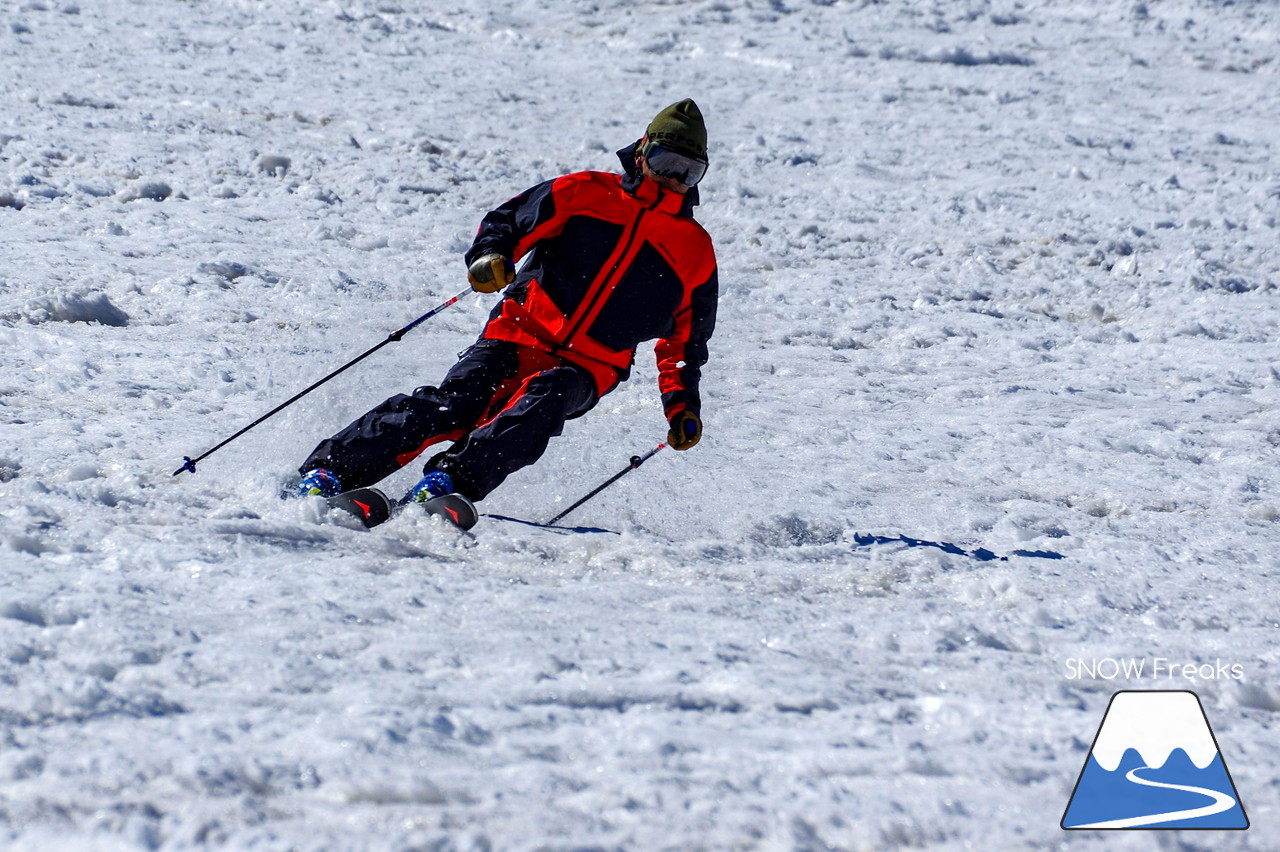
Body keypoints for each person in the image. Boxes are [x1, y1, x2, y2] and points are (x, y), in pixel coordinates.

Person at [295, 99, 719, 507]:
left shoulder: (694, 250)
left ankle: (448, 484)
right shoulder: (585, 192)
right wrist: (490, 256)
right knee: (456, 403)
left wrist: (682, 407)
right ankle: (331, 472)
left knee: (542, 404)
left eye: (689, 171)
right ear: (642, 151)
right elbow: (508, 223)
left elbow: (685, 345)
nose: (673, 178)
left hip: (591, 366)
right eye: (666, 162)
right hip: (519, 332)